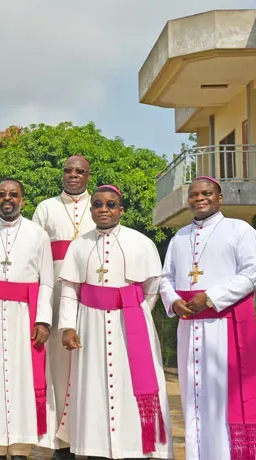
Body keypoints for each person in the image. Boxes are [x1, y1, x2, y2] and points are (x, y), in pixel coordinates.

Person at [58, 185, 172, 459]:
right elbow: (70, 289)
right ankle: (95, 447)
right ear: (92, 209)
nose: (104, 209)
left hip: (130, 324)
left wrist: (133, 311)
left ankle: (134, 446)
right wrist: (68, 326)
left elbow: (152, 287)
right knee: (93, 385)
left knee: (130, 383)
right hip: (90, 324)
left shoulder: (141, 242)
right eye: (97, 204)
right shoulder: (79, 245)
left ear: (121, 210)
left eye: (110, 205)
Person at [160, 176, 256, 460]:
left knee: (223, 400)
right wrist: (173, 301)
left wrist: (210, 297)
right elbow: (165, 278)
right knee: (193, 399)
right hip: (189, 328)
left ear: (219, 198)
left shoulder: (239, 230)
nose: (200, 199)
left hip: (226, 328)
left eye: (206, 194)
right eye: (194, 195)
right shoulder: (179, 237)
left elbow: (251, 274)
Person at [0, 178, 58, 459]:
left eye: (13, 195)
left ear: (22, 200)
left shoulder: (37, 234)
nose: (8, 199)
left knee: (22, 381)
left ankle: (20, 446)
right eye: (2, 194)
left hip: (24, 318)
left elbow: (47, 282)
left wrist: (43, 319)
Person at [31, 155, 95, 460]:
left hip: (93, 294)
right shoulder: (46, 207)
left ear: (88, 176)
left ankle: (91, 436)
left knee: (91, 364)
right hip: (56, 294)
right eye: (68, 171)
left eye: (79, 172)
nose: (73, 176)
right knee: (57, 368)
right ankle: (59, 441)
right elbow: (34, 252)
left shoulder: (99, 205)